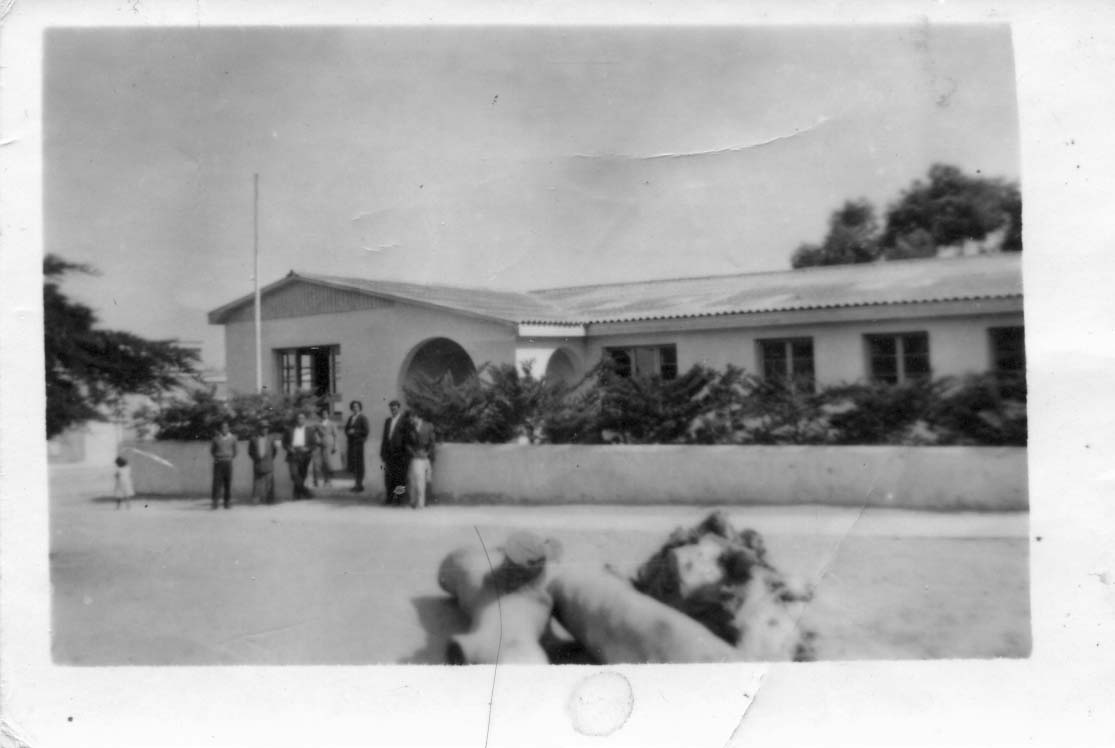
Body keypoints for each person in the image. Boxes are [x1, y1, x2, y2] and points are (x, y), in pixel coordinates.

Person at [403, 411, 436, 509]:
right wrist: (413, 453)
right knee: (413, 480)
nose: (410, 421)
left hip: (425, 457)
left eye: (412, 419)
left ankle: (421, 503)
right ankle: (413, 501)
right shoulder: (410, 428)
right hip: (414, 457)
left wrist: (427, 453)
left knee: (422, 480)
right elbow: (407, 443)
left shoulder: (428, 426)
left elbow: (432, 443)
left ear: (416, 416)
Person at [379, 400, 408, 506]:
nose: (393, 410)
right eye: (391, 408)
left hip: (400, 454)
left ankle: (399, 499)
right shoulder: (388, 421)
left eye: (395, 408)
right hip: (389, 453)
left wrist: (405, 453)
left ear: (398, 408)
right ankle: (389, 498)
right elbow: (384, 437)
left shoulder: (404, 421)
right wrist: (382, 452)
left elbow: (406, 438)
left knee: (400, 477)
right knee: (389, 477)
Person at [282, 412, 317, 499]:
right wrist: (289, 448)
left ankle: (296, 495)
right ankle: (306, 492)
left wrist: (307, 449)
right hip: (293, 453)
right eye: (299, 418)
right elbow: (284, 443)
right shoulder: (289, 430)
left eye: (302, 418)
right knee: (294, 474)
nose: (300, 420)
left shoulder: (310, 430)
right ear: (296, 420)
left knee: (302, 475)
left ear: (305, 420)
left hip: (305, 455)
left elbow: (314, 444)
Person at [248, 422, 279, 504]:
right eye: (262, 428)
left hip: (268, 464)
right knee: (257, 483)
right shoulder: (253, 439)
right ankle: (256, 500)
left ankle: (270, 500)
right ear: (259, 429)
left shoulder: (271, 438)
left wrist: (270, 459)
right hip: (258, 464)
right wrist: (256, 458)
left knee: (269, 483)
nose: (265, 430)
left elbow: (275, 451)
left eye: (266, 428)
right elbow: (250, 452)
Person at [210, 421, 238, 509]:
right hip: (218, 463)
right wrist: (219, 457)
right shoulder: (216, 439)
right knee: (216, 483)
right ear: (220, 429)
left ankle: (227, 502)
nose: (224, 429)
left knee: (228, 483)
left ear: (228, 428)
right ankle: (215, 502)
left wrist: (228, 457)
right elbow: (212, 451)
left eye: (226, 427)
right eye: (222, 428)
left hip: (228, 462)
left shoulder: (233, 438)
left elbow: (235, 451)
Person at [344, 400, 370, 493]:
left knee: (359, 465)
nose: (355, 408)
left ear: (359, 408)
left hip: (359, 444)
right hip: (351, 444)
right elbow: (346, 429)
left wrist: (355, 432)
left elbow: (366, 431)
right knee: (353, 464)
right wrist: (348, 432)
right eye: (353, 407)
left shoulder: (362, 418)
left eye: (357, 406)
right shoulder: (351, 418)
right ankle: (356, 484)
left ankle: (359, 485)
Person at [311, 407, 339, 488]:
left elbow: (335, 435)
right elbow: (312, 432)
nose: (324, 415)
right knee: (316, 462)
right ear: (321, 415)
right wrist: (316, 438)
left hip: (328, 444)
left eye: (326, 413)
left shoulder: (332, 424)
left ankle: (327, 481)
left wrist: (335, 446)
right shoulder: (317, 424)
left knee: (326, 463)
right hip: (319, 444)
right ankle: (315, 481)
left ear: (328, 414)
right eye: (323, 413)